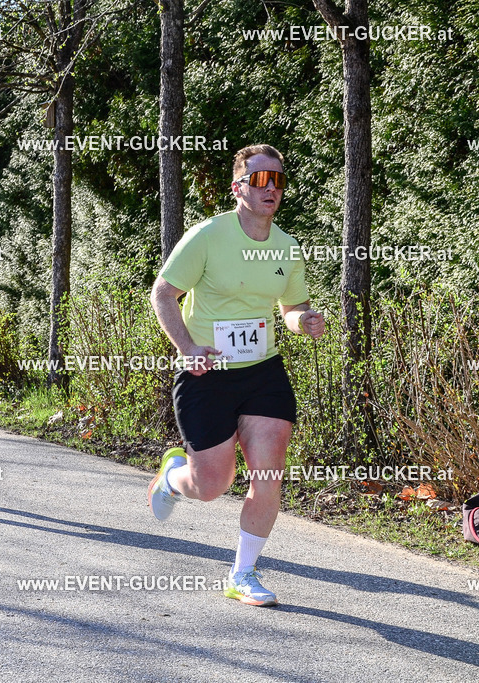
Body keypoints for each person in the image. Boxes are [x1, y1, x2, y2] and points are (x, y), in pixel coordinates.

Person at [148, 144, 325, 607]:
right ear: (239, 187)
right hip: (207, 372)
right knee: (211, 487)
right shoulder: (208, 236)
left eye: (279, 180)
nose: (272, 189)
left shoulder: (288, 247)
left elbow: (292, 307)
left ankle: (243, 573)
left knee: (268, 474)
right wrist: (187, 349)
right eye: (261, 179)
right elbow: (163, 294)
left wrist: (301, 322)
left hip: (262, 372)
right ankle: (172, 477)